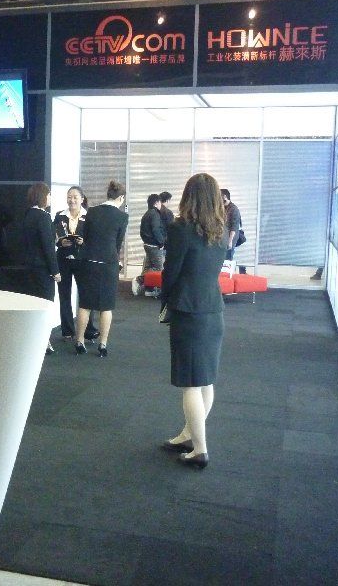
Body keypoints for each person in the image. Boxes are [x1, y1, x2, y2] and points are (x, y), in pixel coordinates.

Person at [160, 173, 228, 469]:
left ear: (189, 195)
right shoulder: (221, 231)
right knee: (205, 381)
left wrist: (165, 299)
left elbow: (171, 271)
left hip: (188, 312)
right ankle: (189, 435)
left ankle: (199, 449)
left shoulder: (181, 229)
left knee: (190, 383)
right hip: (213, 310)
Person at [74, 180, 128, 358]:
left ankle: (79, 341)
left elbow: (86, 237)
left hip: (89, 262)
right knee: (106, 307)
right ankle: (102, 344)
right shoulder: (122, 217)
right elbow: (118, 244)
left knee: (85, 304)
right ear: (121, 197)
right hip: (108, 264)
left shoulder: (92, 211)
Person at [53, 186, 98, 342]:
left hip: (82, 260)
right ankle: (67, 330)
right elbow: (54, 236)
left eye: (75, 197)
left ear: (82, 199)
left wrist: (83, 242)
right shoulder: (59, 215)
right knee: (64, 295)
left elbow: (94, 239)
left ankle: (88, 330)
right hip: (63, 259)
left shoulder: (89, 216)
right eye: (69, 197)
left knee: (86, 295)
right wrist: (60, 242)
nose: (71, 200)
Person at [22, 182, 61, 355]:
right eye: (49, 194)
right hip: (43, 269)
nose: (50, 197)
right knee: (46, 305)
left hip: (30, 267)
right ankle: (44, 342)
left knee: (34, 304)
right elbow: (48, 247)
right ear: (42, 196)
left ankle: (34, 340)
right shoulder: (43, 217)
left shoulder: (28, 215)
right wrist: (55, 271)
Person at [140, 193, 167, 273]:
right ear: (156, 203)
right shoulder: (155, 214)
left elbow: (142, 230)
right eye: (160, 202)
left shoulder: (147, 213)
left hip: (147, 244)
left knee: (148, 268)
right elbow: (156, 230)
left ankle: (141, 280)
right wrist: (161, 243)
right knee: (159, 269)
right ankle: (147, 279)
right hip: (154, 246)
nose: (161, 205)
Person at [220, 188, 241, 262]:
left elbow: (234, 227)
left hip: (230, 238)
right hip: (223, 238)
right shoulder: (223, 207)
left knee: (227, 260)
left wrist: (230, 241)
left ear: (225, 196)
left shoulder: (234, 209)